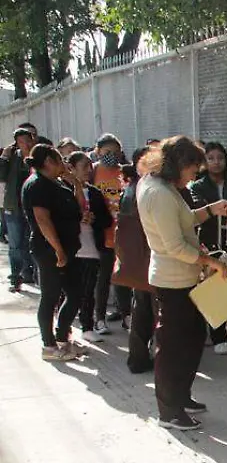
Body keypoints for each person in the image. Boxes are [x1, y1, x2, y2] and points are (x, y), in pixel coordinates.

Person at [137, 136, 227, 430]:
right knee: (173, 347)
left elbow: (183, 220)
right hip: (173, 280)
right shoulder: (159, 193)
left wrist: (210, 209)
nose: (196, 174)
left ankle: (181, 396)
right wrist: (211, 262)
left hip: (185, 278)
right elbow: (175, 246)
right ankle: (169, 410)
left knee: (191, 340)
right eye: (193, 168)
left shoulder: (165, 187)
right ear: (178, 163)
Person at [22, 145, 85, 362]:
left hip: (68, 248)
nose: (63, 164)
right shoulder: (37, 185)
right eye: (59, 159)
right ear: (49, 161)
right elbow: (42, 220)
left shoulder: (57, 183)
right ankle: (48, 345)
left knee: (76, 293)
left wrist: (75, 181)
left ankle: (62, 337)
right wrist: (58, 250)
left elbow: (80, 207)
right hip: (49, 250)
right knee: (50, 296)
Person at [188, 141, 227, 355]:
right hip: (211, 239)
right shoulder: (197, 185)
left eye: (220, 158)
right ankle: (218, 335)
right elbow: (197, 207)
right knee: (215, 284)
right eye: (211, 158)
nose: (216, 162)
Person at [61, 152, 114, 343]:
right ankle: (63, 331)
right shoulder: (63, 190)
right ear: (71, 168)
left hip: (91, 248)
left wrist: (94, 219)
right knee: (68, 292)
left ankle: (87, 327)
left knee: (88, 290)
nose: (88, 170)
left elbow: (107, 220)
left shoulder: (95, 193)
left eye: (90, 166)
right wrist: (77, 219)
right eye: (84, 166)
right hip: (70, 249)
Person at [116, 148, 156, 374]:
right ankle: (157, 359)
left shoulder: (132, 188)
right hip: (151, 256)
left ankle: (138, 357)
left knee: (141, 308)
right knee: (156, 310)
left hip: (137, 258)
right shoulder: (148, 189)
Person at [92, 134, 126, 333]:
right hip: (102, 232)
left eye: (115, 152)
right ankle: (99, 318)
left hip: (121, 233)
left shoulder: (124, 172)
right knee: (103, 277)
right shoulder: (93, 171)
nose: (111, 156)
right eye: (106, 152)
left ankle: (125, 314)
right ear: (98, 152)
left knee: (122, 276)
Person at [2, 127, 36, 291]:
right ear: (16, 143)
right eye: (21, 141)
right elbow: (1, 176)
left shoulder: (38, 157)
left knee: (30, 241)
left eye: (28, 140)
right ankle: (16, 277)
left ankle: (31, 274)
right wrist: (3, 158)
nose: (25, 144)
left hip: (32, 207)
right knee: (15, 244)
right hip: (13, 206)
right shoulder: (11, 158)